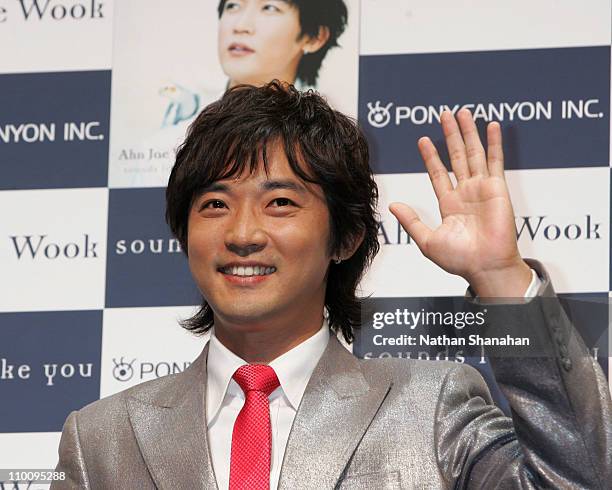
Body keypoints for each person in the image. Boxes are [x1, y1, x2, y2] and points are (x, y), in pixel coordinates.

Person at [52, 82, 611, 489]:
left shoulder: (432, 406)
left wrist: (499, 278)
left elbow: (579, 477)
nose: (243, 233)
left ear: (344, 238)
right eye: (215, 204)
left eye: (281, 203)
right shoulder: (101, 438)